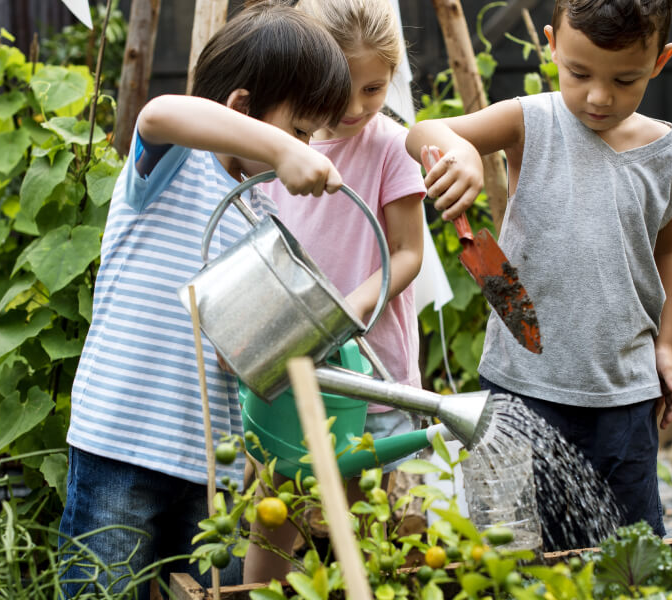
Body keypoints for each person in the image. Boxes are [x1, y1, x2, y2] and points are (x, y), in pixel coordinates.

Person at [58, 4, 351, 597]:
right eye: (299, 131)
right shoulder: (173, 167)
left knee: (205, 590)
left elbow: (238, 348)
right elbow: (161, 113)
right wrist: (281, 149)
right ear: (242, 111)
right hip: (122, 444)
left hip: (208, 470)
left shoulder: (262, 214)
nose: (302, 147)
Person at [405, 0, 672, 548]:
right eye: (579, 72)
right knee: (517, 542)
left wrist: (664, 343)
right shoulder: (531, 120)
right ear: (552, 45)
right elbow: (423, 128)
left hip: (624, 389)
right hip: (522, 382)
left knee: (631, 544)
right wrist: (460, 154)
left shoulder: (666, 152)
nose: (597, 96)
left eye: (625, 79)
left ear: (659, 62)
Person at [247, 0, 426, 583]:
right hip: (293, 371)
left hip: (375, 376)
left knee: (387, 530)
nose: (356, 107)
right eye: (341, 88)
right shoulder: (275, 147)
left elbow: (407, 253)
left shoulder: (390, 147)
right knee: (277, 517)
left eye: (374, 89)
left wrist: (352, 306)